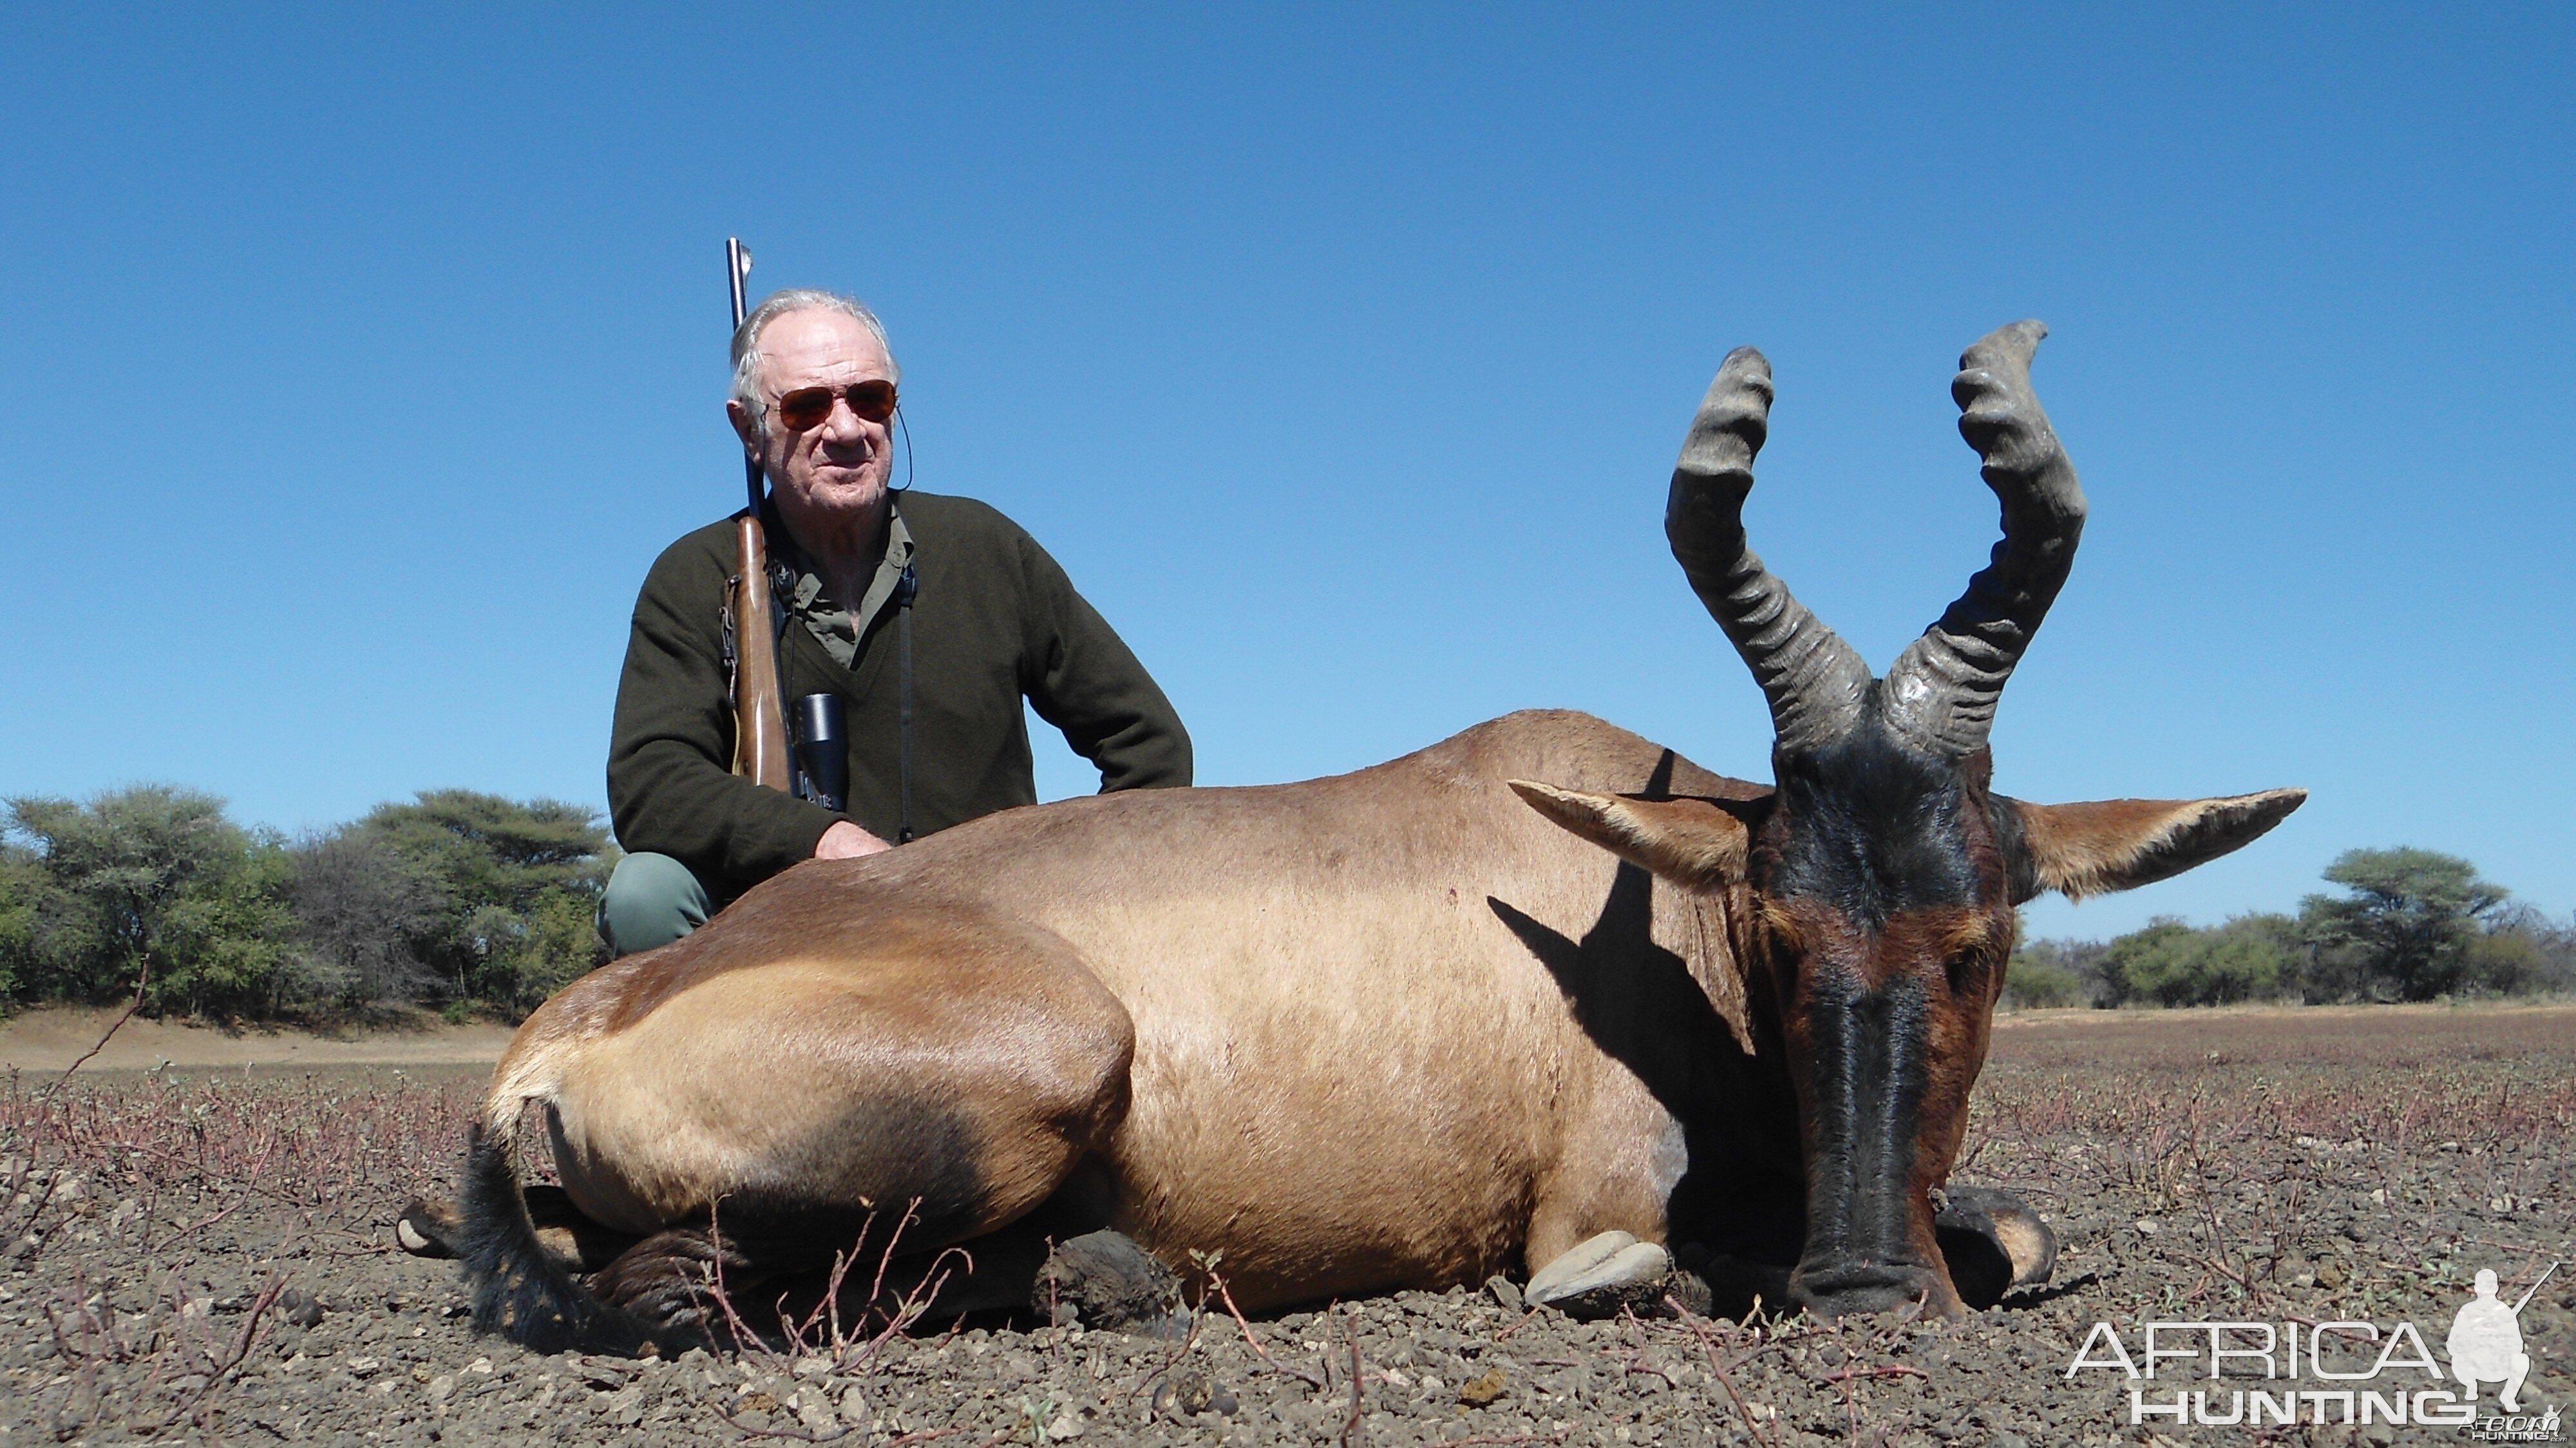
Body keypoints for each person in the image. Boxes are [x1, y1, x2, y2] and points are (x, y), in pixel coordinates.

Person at [598, 289, 1191, 956]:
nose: (847, 429)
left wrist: (1065, 885)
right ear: (747, 428)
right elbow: (650, 781)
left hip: (987, 932)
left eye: (870, 398)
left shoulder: (986, 546)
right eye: (807, 405)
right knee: (644, 893)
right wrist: (823, 842)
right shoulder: (695, 574)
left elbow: (1150, 742)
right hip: (787, 930)